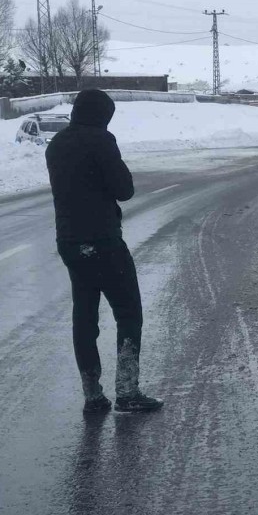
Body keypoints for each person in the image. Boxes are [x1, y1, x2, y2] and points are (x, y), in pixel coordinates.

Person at [46, 89, 163, 414]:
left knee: (84, 317)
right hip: (103, 241)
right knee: (128, 313)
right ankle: (127, 391)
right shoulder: (100, 140)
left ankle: (92, 394)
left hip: (70, 242)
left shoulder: (57, 144)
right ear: (103, 115)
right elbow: (124, 189)